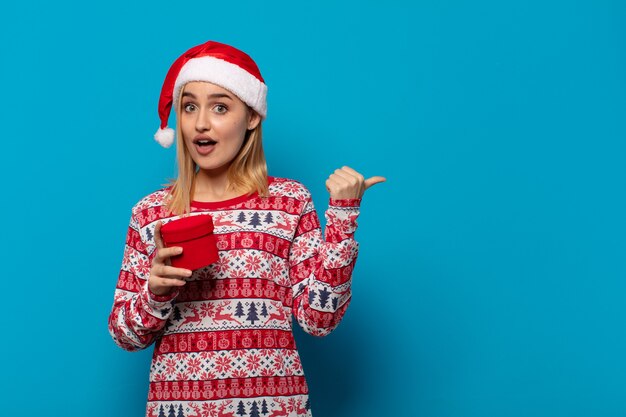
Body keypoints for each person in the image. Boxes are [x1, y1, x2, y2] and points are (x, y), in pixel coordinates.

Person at [108, 40, 385, 417]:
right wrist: (154, 293)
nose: (201, 122)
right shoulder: (151, 213)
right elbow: (124, 335)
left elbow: (318, 320)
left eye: (220, 107)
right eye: (189, 107)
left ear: (252, 115)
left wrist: (342, 217)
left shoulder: (289, 202)